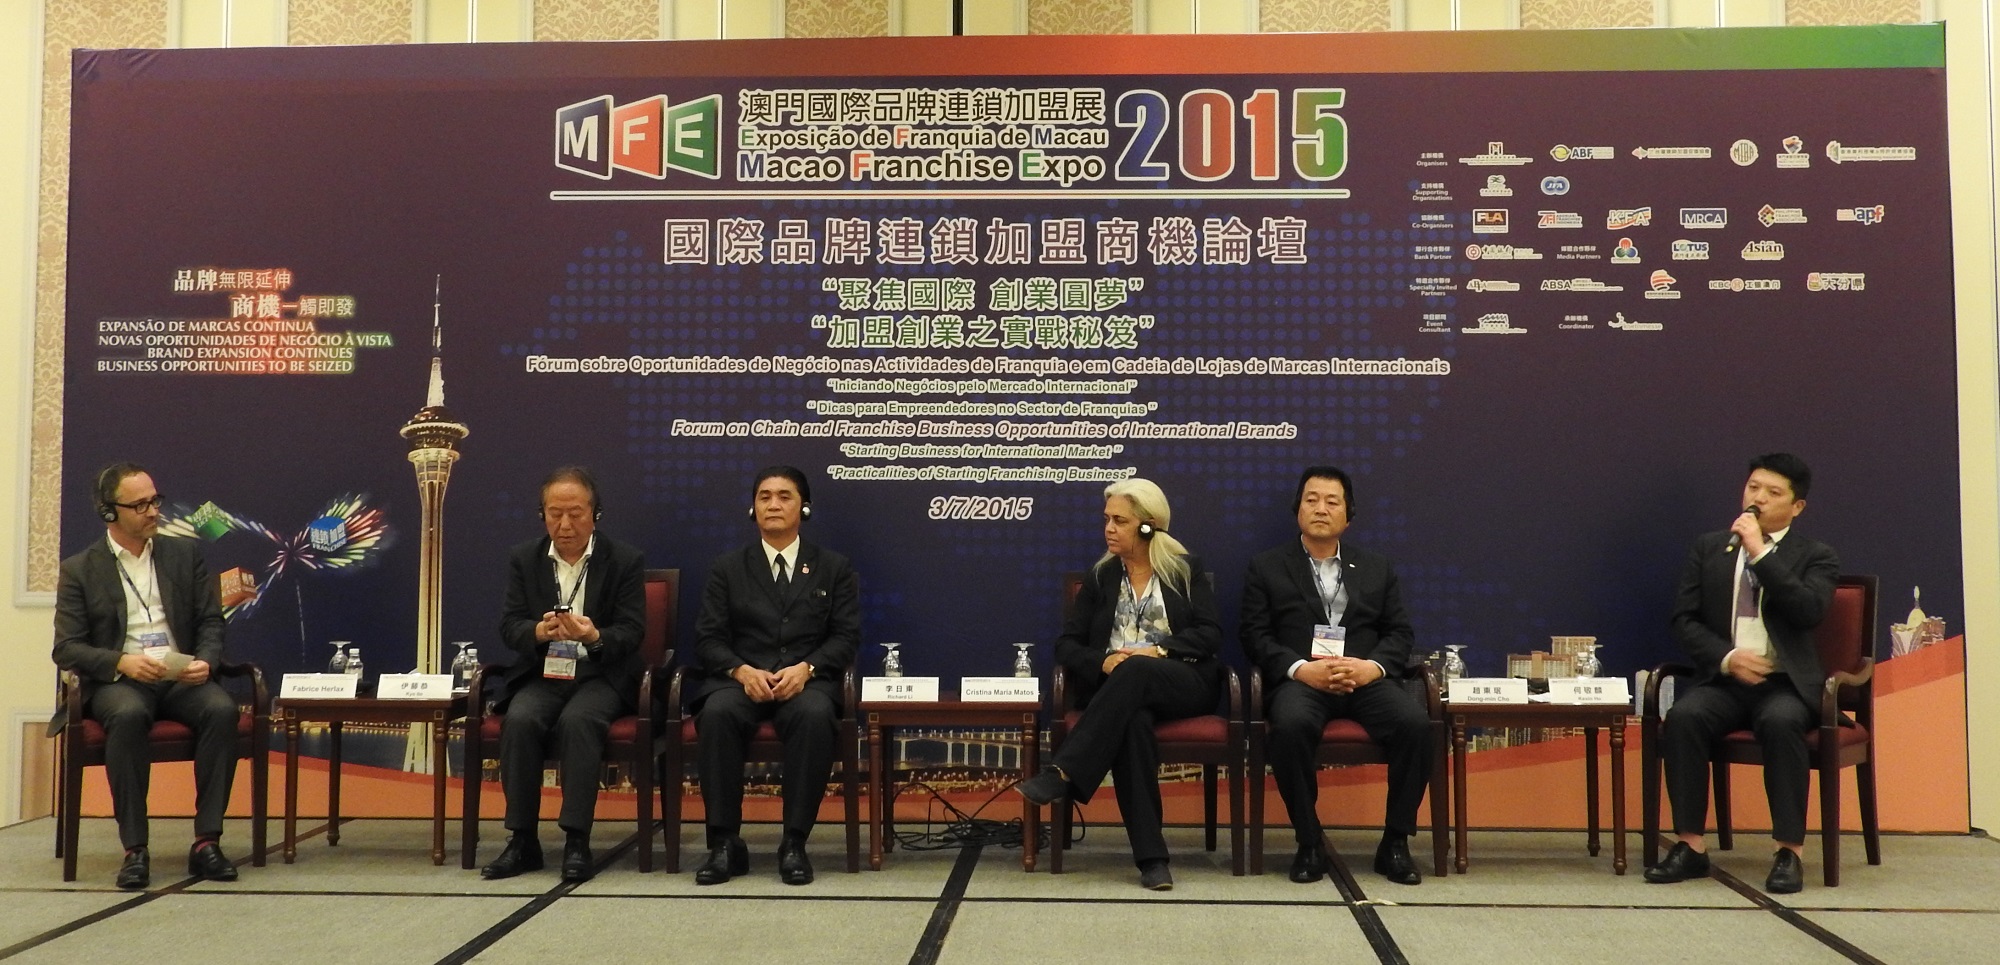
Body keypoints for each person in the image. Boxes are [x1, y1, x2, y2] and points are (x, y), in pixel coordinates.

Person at [1646, 453, 1839, 895]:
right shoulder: (1710, 548)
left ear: (1797, 506)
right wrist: (1727, 657)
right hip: (1726, 680)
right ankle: (1690, 846)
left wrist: (1761, 553)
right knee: (1684, 717)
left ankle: (1789, 851)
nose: (1759, 498)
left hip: (1785, 685)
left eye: (1773, 493)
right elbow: (1685, 619)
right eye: (1754, 487)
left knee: (1781, 722)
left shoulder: (1816, 556)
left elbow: (1808, 610)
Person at [1016, 478, 1222, 891]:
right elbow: (1067, 645)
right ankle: (1152, 860)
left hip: (1182, 683)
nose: (1108, 528)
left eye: (1120, 521)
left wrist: (1158, 651)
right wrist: (1104, 661)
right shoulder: (1101, 577)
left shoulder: (1185, 570)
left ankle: (1065, 771)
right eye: (1107, 519)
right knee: (1133, 724)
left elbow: (1209, 634)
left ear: (1148, 526)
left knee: (1138, 669)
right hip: (1120, 693)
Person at [52, 463, 240, 889]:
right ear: (109, 512)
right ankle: (135, 849)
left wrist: (205, 661)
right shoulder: (80, 569)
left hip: (179, 677)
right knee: (128, 715)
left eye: (155, 500)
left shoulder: (184, 555)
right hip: (121, 683)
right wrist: (121, 661)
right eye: (139, 505)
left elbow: (211, 621)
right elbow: (67, 648)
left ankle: (206, 843)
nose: (153, 511)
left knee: (221, 709)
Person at [1241, 466, 1432, 885]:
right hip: (1303, 681)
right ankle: (1309, 842)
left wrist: (1371, 667)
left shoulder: (1377, 567)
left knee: (1416, 725)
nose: (1320, 509)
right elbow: (1255, 634)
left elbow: (1399, 633)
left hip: (1364, 680)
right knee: (1289, 727)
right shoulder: (1267, 566)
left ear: (1349, 515)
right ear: (1297, 509)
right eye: (1311, 500)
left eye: (1332, 502)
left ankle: (1395, 842)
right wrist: (1300, 669)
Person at [690, 465, 860, 885]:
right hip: (740, 680)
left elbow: (846, 636)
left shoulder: (833, 567)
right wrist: (740, 670)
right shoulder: (728, 567)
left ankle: (794, 842)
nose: (773, 504)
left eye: (785, 496)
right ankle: (725, 843)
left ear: (804, 507)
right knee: (717, 714)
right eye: (764, 496)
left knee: (815, 715)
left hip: (805, 681)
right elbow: (708, 638)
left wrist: (808, 668)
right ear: (753, 508)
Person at [481, 467, 648, 883]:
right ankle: (523, 840)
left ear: (595, 514)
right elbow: (509, 626)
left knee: (580, 721)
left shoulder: (624, 560)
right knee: (520, 719)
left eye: (575, 513)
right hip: (544, 671)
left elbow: (632, 631)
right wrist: (538, 632)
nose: (565, 524)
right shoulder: (525, 558)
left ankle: (576, 839)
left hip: (601, 673)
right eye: (555, 514)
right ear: (542, 515)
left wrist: (594, 635)